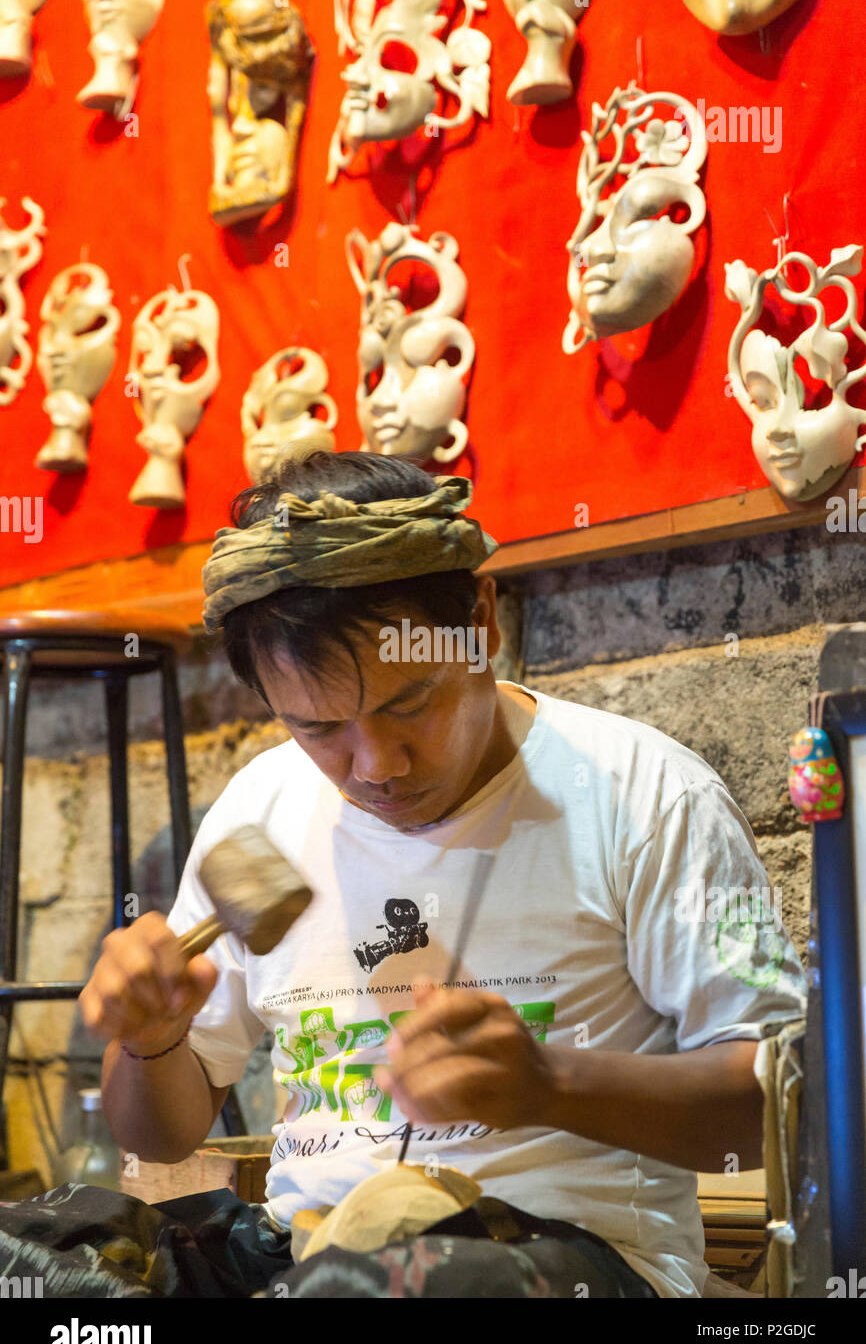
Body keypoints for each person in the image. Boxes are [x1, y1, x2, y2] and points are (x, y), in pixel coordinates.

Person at [74, 449, 806, 1299]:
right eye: (319, 729)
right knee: (47, 1262)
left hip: (560, 1263)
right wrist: (150, 1036)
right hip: (303, 1256)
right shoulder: (258, 810)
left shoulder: (649, 795)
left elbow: (780, 1111)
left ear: (481, 621)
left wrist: (550, 1084)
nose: (376, 764)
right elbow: (161, 1137)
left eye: (410, 701)